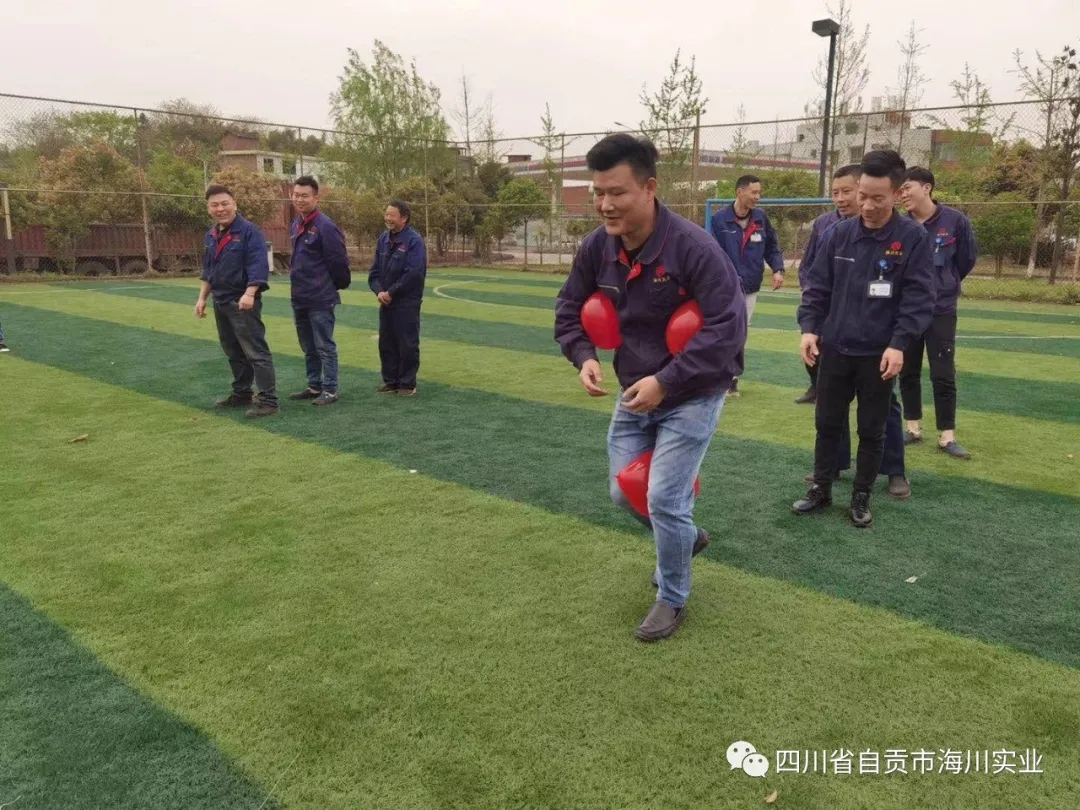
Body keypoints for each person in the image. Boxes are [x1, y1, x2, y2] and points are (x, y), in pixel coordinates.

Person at [554, 133, 747, 642]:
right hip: (634, 391)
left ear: (650, 187)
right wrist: (583, 355)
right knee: (624, 493)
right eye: (599, 192)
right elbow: (569, 308)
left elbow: (728, 328)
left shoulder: (694, 248)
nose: (605, 204)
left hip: (693, 391)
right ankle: (686, 538)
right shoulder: (597, 247)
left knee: (664, 497)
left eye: (617, 192)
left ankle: (672, 595)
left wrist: (666, 381)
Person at [793, 150, 934, 528]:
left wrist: (899, 343)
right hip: (835, 349)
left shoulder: (912, 238)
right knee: (827, 423)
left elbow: (919, 298)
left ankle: (861, 496)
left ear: (897, 195)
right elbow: (817, 288)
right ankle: (821, 489)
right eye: (863, 196)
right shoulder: (838, 234)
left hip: (879, 354)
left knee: (872, 430)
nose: (867, 206)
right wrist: (809, 328)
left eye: (877, 198)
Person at [899, 167, 977, 459]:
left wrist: (945, 283)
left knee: (943, 373)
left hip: (941, 309)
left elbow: (966, 260)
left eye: (907, 187)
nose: (903, 194)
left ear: (927, 188)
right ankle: (912, 428)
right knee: (907, 370)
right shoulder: (900, 225)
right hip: (907, 310)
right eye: (900, 190)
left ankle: (947, 435)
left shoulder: (955, 221)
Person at [194, 185, 279, 418]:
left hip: (242, 302)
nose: (220, 209)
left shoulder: (250, 232)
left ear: (235, 204)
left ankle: (269, 401)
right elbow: (208, 270)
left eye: (225, 203)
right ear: (208, 208)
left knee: (255, 351)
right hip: (220, 300)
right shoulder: (211, 235)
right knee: (232, 350)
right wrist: (202, 298)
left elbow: (258, 265)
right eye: (215, 205)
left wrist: (250, 293)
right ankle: (242, 393)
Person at [708, 174, 785, 396]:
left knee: (740, 332)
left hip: (750, 286)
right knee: (723, 330)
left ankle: (731, 378)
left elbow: (772, 247)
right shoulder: (719, 219)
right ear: (739, 192)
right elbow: (712, 252)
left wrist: (778, 269)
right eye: (754, 192)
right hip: (726, 287)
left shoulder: (761, 219)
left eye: (759, 192)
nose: (757, 197)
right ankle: (716, 375)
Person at [795, 164, 861, 405]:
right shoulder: (824, 223)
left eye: (846, 192)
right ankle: (816, 387)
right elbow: (808, 263)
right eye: (835, 193)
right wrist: (810, 289)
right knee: (813, 343)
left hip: (857, 307)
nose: (840, 198)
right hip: (824, 301)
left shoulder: (876, 226)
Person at [287, 175, 350, 407]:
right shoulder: (296, 223)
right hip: (300, 296)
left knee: (324, 345)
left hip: (320, 297)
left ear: (316, 198)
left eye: (305, 196)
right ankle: (314, 385)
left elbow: (339, 261)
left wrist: (333, 286)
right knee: (308, 346)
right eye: (296, 195)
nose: (299, 199)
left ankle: (330, 389)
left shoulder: (325, 226)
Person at [368, 200, 427, 396]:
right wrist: (379, 292)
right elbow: (374, 273)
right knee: (386, 343)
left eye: (392, 215)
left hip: (406, 302)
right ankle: (391, 381)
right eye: (386, 214)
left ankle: (407, 384)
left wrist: (391, 292)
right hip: (386, 301)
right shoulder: (383, 239)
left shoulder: (414, 241)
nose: (387, 218)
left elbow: (413, 273)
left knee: (407, 343)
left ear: (404, 218)